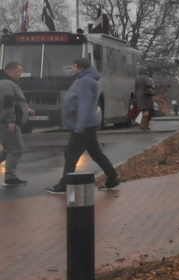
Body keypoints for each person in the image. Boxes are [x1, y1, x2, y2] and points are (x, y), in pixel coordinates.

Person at [46, 58, 119, 193]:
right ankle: (113, 178)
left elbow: (84, 105)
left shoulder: (85, 81)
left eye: (74, 67)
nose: (72, 69)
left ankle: (65, 185)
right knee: (96, 154)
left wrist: (79, 126)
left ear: (81, 69)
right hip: (86, 124)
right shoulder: (83, 80)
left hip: (83, 125)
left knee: (71, 153)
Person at [0, 61, 34, 187]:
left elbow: (12, 102)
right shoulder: (6, 84)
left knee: (8, 151)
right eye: (18, 71)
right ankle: (10, 178)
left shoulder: (7, 83)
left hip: (6, 121)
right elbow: (7, 104)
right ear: (10, 71)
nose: (20, 74)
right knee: (16, 150)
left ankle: (10, 177)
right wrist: (11, 121)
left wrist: (25, 110)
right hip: (6, 122)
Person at [135, 67, 156, 131]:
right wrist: (151, 83)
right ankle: (143, 125)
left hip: (139, 96)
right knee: (147, 110)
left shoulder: (137, 78)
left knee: (145, 110)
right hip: (145, 96)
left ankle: (145, 125)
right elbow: (148, 84)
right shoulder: (145, 77)